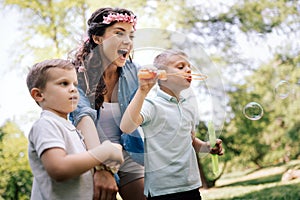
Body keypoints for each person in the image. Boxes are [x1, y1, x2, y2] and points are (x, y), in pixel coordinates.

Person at [120, 49, 223, 199]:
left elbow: (190, 140)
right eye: (181, 67)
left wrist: (207, 147)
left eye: (189, 67)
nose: (188, 69)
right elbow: (126, 126)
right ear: (162, 75)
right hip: (163, 191)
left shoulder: (188, 106)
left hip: (191, 185)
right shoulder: (152, 104)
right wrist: (142, 91)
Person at [70, 7, 145, 200]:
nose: (127, 41)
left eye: (131, 35)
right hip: (90, 153)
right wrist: (101, 168)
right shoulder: (77, 75)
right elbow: (83, 117)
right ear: (98, 38)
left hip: (128, 151)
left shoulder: (133, 72)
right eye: (119, 33)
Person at [26, 59, 124, 200]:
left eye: (75, 84)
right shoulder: (46, 124)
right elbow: (59, 169)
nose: (73, 89)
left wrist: (109, 164)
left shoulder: (73, 130)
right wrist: (104, 152)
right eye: (64, 83)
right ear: (39, 95)